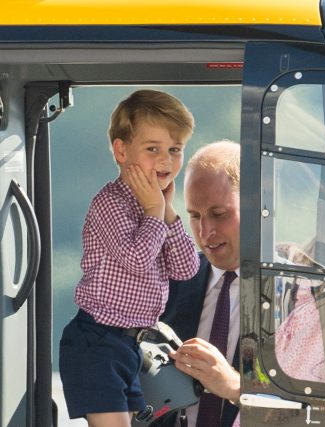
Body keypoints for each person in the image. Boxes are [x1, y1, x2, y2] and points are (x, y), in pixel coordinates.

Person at [58, 89, 200, 427]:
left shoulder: (156, 209)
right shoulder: (111, 203)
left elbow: (186, 268)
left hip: (131, 344)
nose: (166, 161)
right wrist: (154, 211)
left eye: (175, 150)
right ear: (121, 151)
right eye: (153, 149)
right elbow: (136, 259)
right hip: (96, 341)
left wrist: (167, 214)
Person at [159, 140, 241, 427]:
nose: (205, 232)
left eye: (219, 214)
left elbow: (314, 406)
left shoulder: (295, 295)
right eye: (194, 216)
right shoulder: (168, 279)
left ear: (259, 203)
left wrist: (235, 387)